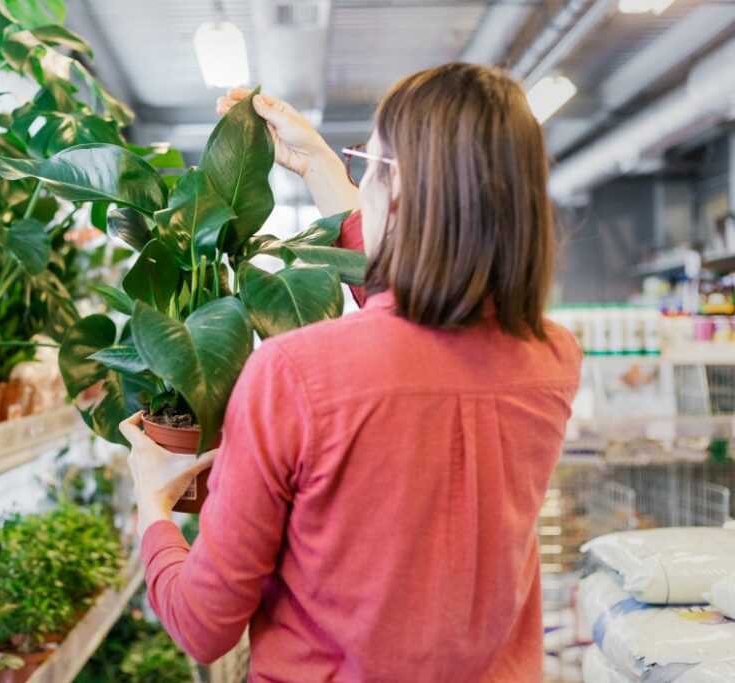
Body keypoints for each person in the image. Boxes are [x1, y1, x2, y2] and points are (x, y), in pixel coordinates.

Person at [120, 63, 582, 682]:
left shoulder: (294, 375)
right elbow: (419, 317)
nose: (363, 180)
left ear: (398, 191)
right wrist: (320, 168)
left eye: (372, 164)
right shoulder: (551, 358)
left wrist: (152, 502)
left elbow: (203, 625)